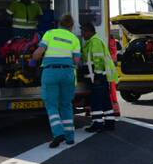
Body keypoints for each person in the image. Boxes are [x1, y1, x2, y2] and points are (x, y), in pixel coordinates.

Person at [29, 14, 81, 148]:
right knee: (66, 104)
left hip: (51, 72)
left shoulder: (50, 33)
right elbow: (76, 60)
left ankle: (58, 132)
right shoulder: (74, 38)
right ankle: (70, 137)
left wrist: (33, 60)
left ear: (59, 24)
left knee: (51, 104)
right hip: (68, 73)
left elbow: (39, 52)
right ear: (71, 26)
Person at [80, 22, 117, 132]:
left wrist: (97, 76)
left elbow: (98, 59)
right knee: (105, 100)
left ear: (89, 32)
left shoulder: (94, 42)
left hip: (98, 77)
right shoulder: (95, 41)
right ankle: (110, 123)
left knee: (96, 101)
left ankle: (97, 124)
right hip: (102, 77)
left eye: (83, 32)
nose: (82, 35)